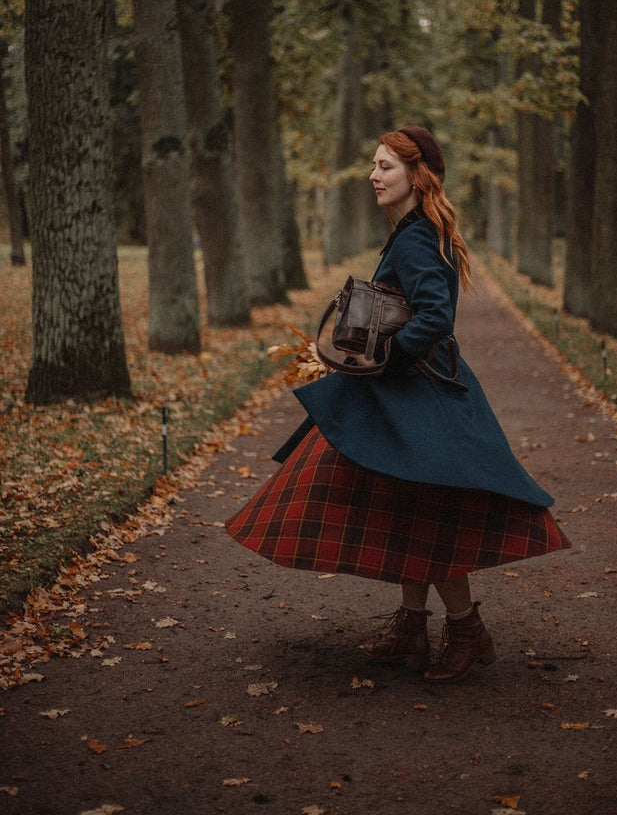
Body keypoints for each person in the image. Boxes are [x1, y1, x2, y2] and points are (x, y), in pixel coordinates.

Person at [225, 125, 571, 682]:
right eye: (374, 165)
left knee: (426, 513)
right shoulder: (416, 230)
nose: (373, 175)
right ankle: (412, 628)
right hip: (405, 395)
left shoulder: (415, 238)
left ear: (417, 174)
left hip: (417, 396)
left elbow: (435, 318)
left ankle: (466, 629)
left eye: (385, 166)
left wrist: (386, 359)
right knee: (403, 506)